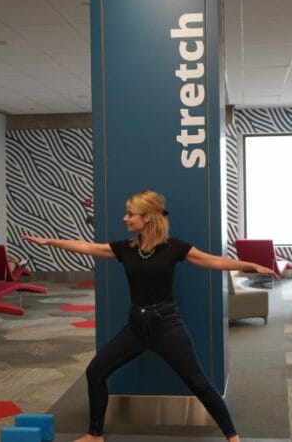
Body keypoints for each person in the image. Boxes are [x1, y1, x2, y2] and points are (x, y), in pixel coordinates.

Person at [21, 189, 276, 442]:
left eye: (130, 214)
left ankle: (232, 437)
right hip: (136, 326)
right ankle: (95, 434)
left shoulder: (174, 247)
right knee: (95, 371)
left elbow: (213, 261)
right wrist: (52, 242)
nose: (125, 218)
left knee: (198, 382)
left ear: (148, 218)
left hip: (167, 325)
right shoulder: (126, 249)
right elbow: (88, 248)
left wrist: (249, 265)